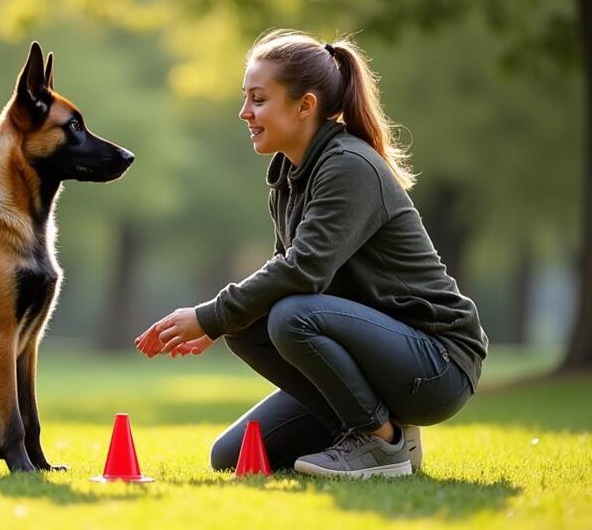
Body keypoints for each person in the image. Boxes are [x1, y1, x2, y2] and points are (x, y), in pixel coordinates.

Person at [135, 30, 489, 479]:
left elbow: (304, 271)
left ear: (305, 105)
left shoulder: (349, 167)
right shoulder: (290, 175)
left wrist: (210, 315)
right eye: (245, 98)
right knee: (231, 450)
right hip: (379, 357)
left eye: (258, 99)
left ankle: (380, 444)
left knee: (288, 315)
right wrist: (221, 324)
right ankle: (386, 434)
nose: (245, 112)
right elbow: (286, 269)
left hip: (436, 363)